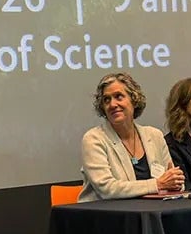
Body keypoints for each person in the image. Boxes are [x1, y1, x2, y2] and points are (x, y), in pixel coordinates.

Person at [78, 72, 184, 202]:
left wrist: (176, 182)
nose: (112, 104)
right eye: (106, 100)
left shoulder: (154, 135)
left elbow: (173, 179)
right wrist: (157, 184)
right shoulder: (94, 139)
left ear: (134, 99)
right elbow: (107, 188)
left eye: (118, 96)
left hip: (152, 210)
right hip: (105, 211)